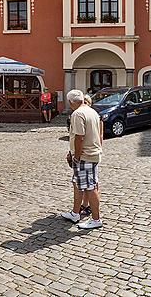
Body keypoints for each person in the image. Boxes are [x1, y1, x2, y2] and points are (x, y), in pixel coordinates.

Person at [61, 90, 104, 230]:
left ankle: (96, 219)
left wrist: (77, 156)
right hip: (92, 153)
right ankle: (75, 212)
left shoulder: (78, 114)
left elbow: (79, 137)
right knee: (78, 183)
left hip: (85, 155)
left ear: (71, 102)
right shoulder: (91, 111)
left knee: (90, 187)